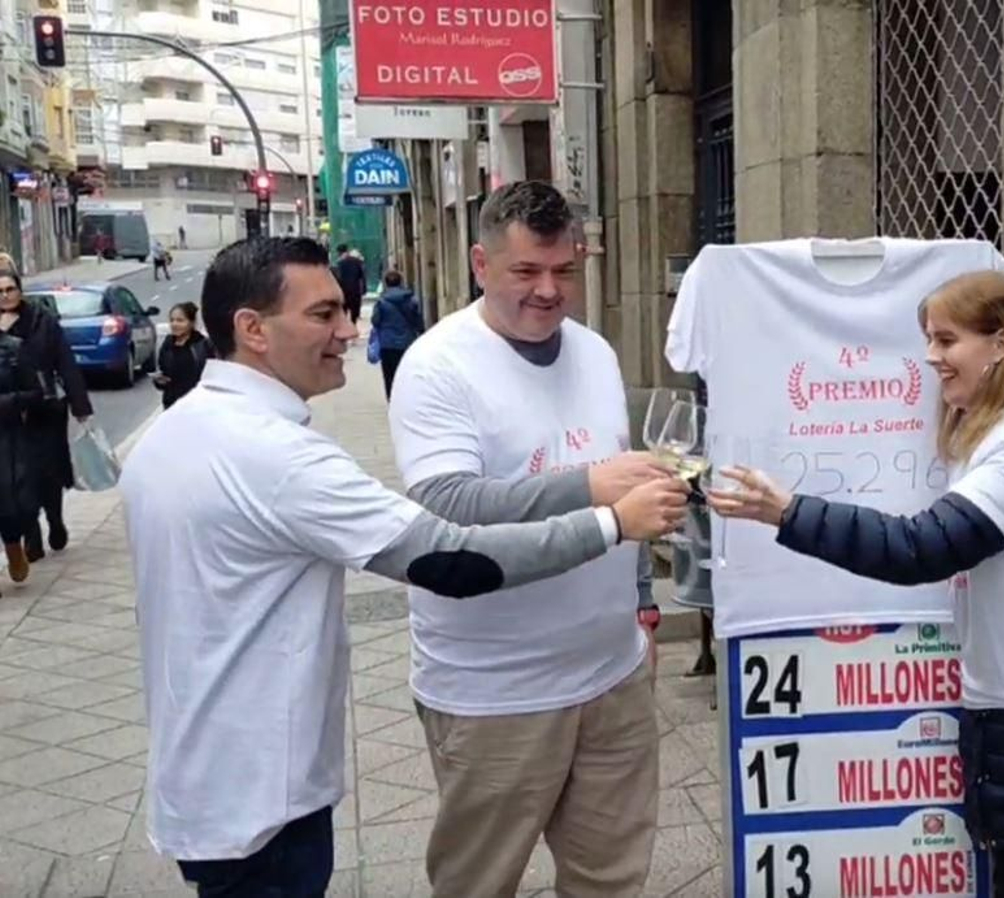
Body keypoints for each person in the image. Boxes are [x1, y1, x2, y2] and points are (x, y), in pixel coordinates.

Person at [120, 237, 689, 898]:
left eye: (346, 310)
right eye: (323, 315)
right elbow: (452, 560)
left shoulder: (176, 432)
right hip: (263, 789)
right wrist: (615, 521)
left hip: (209, 771)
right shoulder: (277, 457)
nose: (347, 331)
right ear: (252, 329)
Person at [708, 270, 1004, 898]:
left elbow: (922, 547)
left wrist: (791, 512)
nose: (931, 357)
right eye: (928, 340)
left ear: (1000, 343)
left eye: (946, 339)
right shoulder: (999, 415)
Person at [388, 180, 669, 897]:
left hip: (612, 675)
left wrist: (641, 606)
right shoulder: (436, 364)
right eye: (526, 272)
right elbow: (449, 506)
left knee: (611, 878)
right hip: (495, 691)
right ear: (482, 265)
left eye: (565, 271)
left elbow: (629, 486)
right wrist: (590, 487)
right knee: (478, 883)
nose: (549, 291)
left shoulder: (597, 353)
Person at [0, 272, 92, 565]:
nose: (5, 295)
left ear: (20, 291)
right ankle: (33, 535)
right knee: (21, 477)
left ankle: (55, 519)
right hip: (11, 414)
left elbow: (65, 362)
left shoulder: (42, 321)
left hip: (46, 408)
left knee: (49, 472)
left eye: (10, 289)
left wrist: (80, 405)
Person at [0, 310, 42, 593]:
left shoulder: (13, 349)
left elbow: (35, 392)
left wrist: (7, 403)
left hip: (7, 436)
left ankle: (13, 543)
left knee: (12, 505)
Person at [369, 269, 424, 398]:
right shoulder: (410, 299)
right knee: (406, 372)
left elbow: (375, 321)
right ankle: (407, 396)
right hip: (407, 342)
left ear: (386, 283)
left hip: (387, 344)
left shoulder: (381, 302)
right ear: (401, 282)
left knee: (389, 374)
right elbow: (418, 320)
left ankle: (392, 398)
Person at [152, 302, 213, 409]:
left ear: (192, 322)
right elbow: (163, 371)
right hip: (171, 404)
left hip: (196, 404)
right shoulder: (168, 343)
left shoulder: (202, 345)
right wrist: (159, 381)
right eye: (172, 320)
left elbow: (210, 376)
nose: (174, 324)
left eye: (180, 320)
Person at [333, 243, 366, 324]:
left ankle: (345, 327)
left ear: (339, 252)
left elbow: (338, 278)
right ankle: (353, 325)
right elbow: (362, 276)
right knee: (354, 312)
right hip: (355, 290)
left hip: (343, 290)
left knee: (343, 311)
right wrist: (364, 288)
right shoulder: (357, 261)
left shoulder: (339, 263)